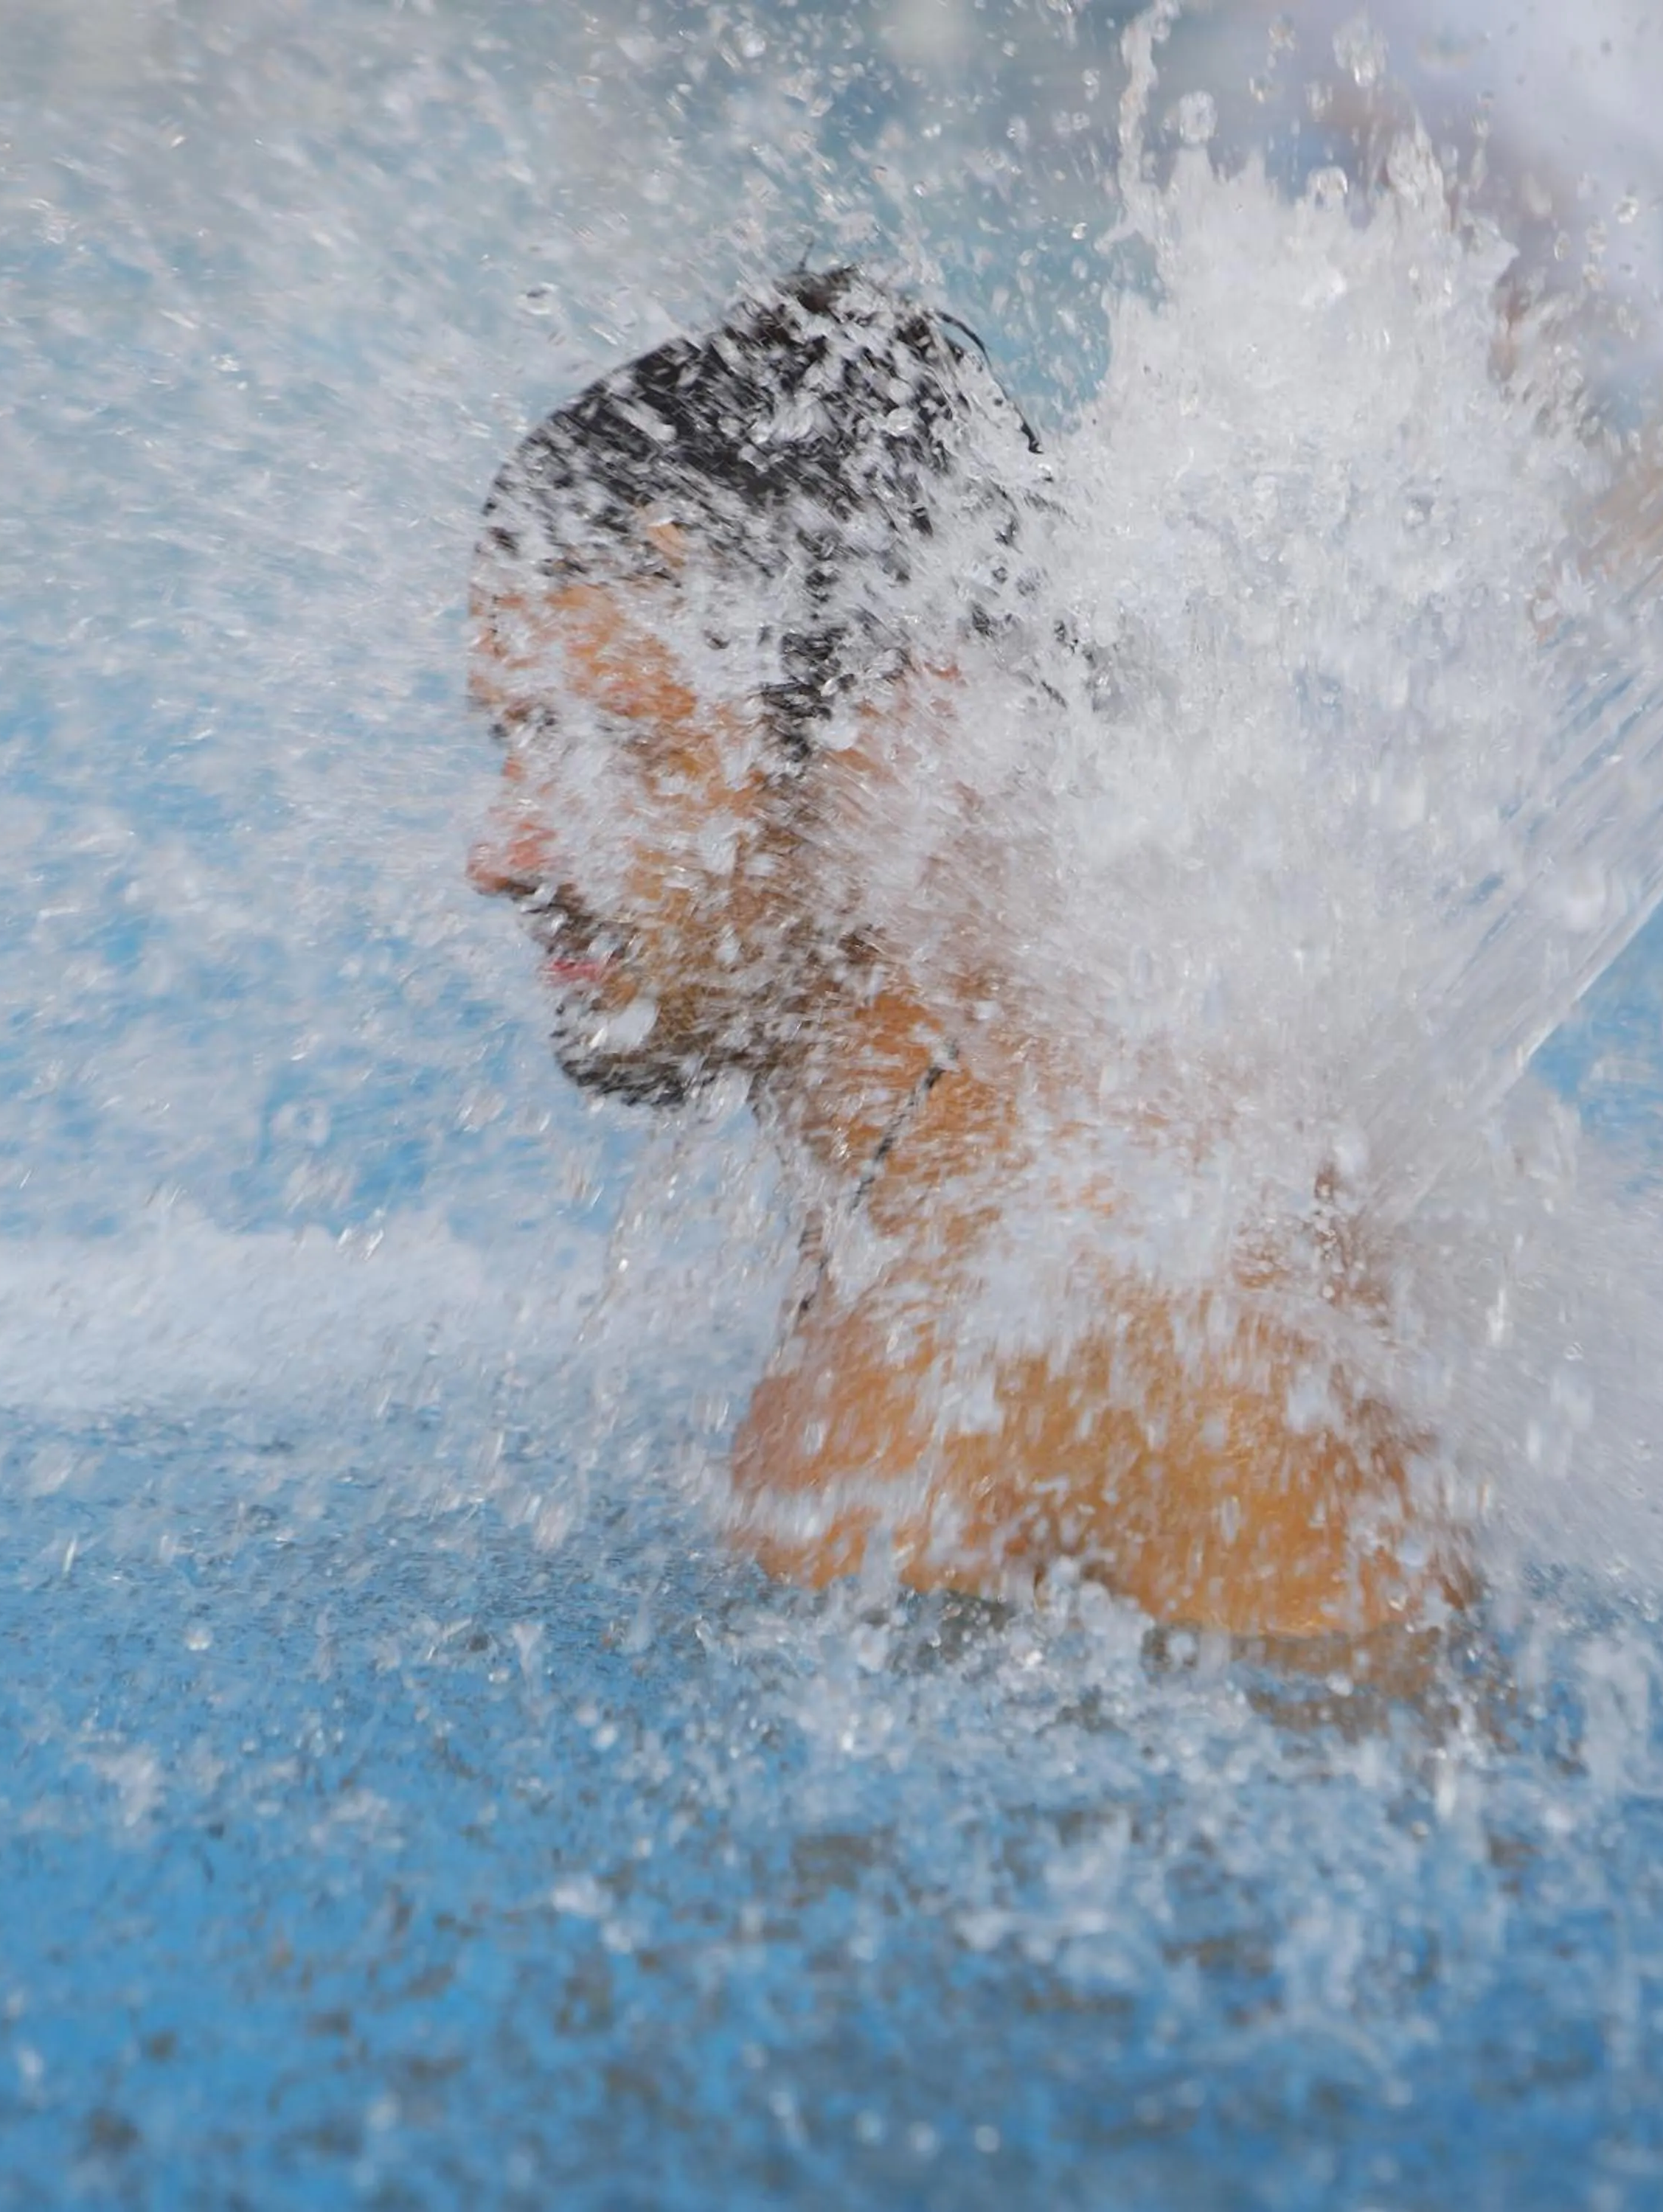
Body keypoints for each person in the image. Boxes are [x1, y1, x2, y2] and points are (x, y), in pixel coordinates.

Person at [468, 265, 1467, 1644]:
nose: (504, 851)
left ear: (906, 750)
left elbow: (1422, 1813)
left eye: (615, 748)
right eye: (512, 742)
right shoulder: (907, 1221)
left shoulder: (1157, 1311)